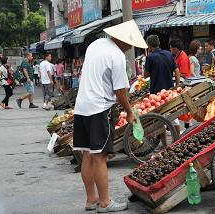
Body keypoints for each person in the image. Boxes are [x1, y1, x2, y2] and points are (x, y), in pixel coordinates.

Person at [73, 20, 147, 213]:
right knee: (100, 156)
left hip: (81, 107)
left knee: (87, 154)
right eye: (131, 44)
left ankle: (91, 200)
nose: (131, 47)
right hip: (99, 109)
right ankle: (105, 202)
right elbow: (120, 91)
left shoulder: (95, 45)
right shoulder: (117, 56)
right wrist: (130, 111)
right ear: (125, 41)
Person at [144, 35, 181, 136]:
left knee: (159, 120)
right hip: (169, 91)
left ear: (149, 46)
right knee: (174, 116)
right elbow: (177, 71)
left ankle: (164, 145)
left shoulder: (150, 57)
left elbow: (145, 75)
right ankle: (177, 140)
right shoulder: (169, 54)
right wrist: (177, 86)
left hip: (156, 94)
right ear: (158, 43)